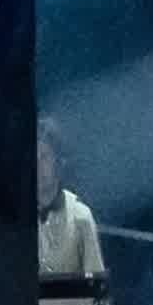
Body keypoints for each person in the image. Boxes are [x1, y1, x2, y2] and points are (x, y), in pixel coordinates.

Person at [35, 115, 103, 281]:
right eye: (32, 157)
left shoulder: (81, 216)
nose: (37, 165)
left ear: (58, 162)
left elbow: (95, 286)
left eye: (44, 157)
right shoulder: (15, 217)